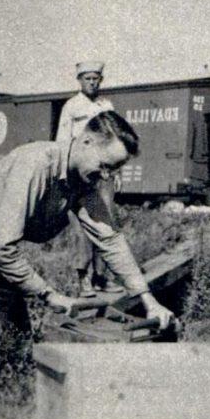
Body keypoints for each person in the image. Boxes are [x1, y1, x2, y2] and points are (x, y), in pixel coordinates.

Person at [0, 111, 175, 345]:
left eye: (113, 170)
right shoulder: (38, 163)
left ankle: (13, 387)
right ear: (86, 141)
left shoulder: (84, 180)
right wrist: (49, 294)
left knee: (18, 340)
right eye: (105, 166)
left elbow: (109, 240)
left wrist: (148, 300)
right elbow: (1, 246)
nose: (107, 176)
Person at [56, 61, 120, 297]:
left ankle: (101, 277)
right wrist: (63, 174)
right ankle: (83, 280)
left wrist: (116, 171)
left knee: (106, 225)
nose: (92, 82)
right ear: (80, 80)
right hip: (80, 175)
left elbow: (113, 140)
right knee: (82, 228)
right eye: (88, 78)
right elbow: (62, 142)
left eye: (96, 78)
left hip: (103, 174)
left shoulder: (106, 105)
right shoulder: (72, 107)